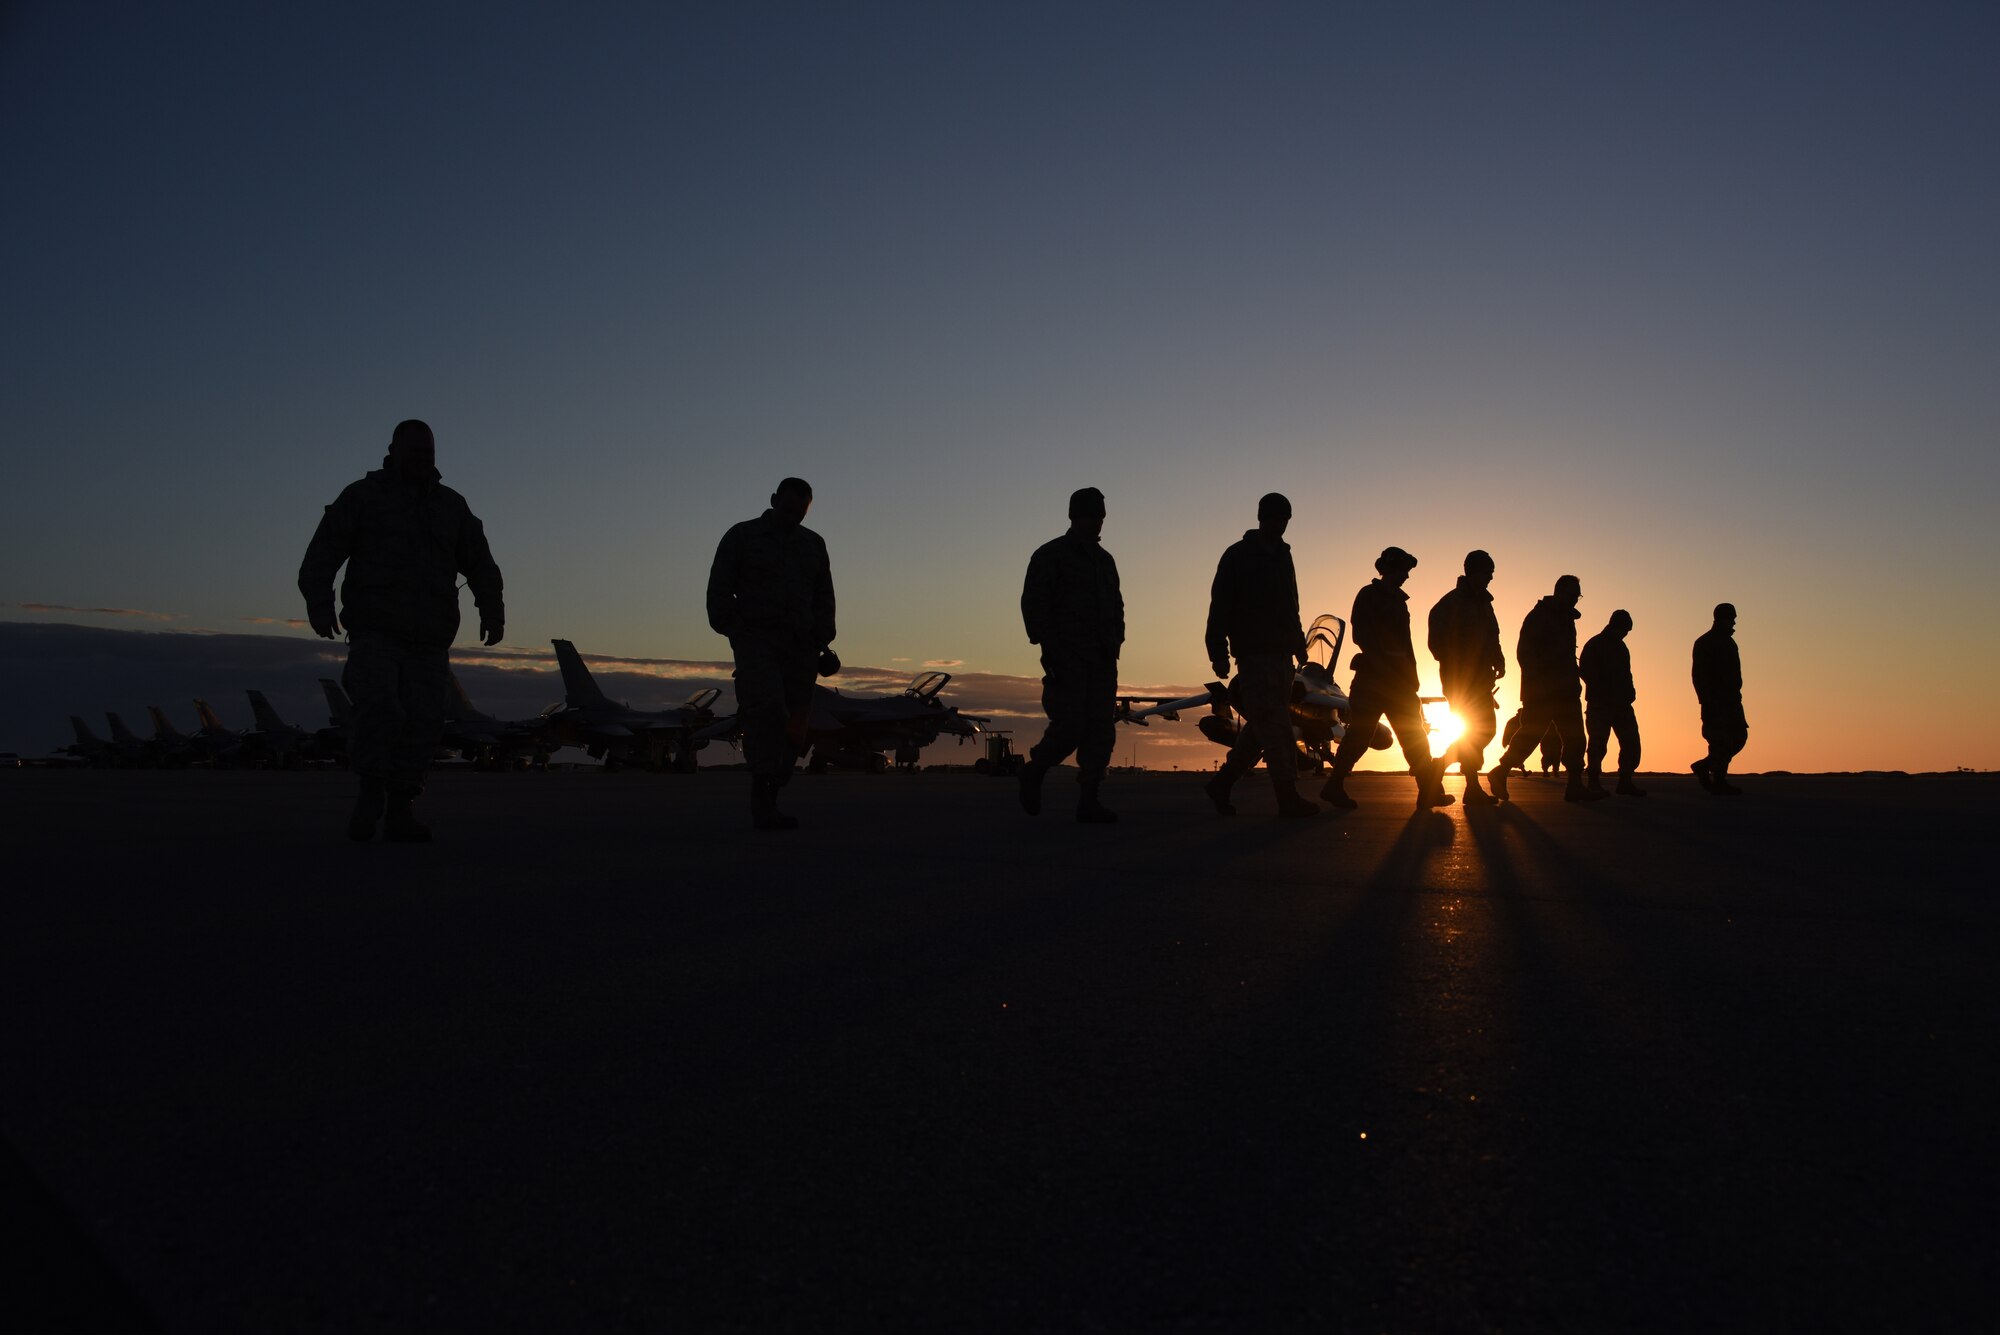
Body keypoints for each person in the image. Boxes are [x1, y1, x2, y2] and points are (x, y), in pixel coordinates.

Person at [299, 419, 504, 842]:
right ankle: (371, 791)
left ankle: (401, 809)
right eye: (413, 452)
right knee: (379, 708)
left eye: (428, 453)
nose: (422, 460)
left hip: (429, 638)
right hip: (376, 630)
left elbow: (480, 563)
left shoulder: (451, 506)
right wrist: (319, 604)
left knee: (425, 721)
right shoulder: (363, 497)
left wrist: (492, 610)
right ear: (393, 451)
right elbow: (324, 551)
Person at [707, 477, 837, 830]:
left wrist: (823, 636)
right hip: (758, 645)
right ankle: (761, 802)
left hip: (801, 650)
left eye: (801, 512)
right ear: (773, 500)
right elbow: (719, 591)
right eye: (788, 509)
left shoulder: (813, 544)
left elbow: (824, 594)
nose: (793, 516)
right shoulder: (742, 537)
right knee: (765, 714)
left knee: (796, 725)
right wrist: (737, 632)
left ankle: (773, 794)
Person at [1200, 493, 1317, 818]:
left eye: (1285, 520)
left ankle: (1222, 784)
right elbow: (1220, 606)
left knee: (1259, 727)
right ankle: (1287, 795)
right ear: (1262, 518)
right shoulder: (1238, 556)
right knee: (1278, 726)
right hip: (1253, 655)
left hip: (1282, 657)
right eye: (1276, 518)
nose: (1280, 525)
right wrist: (1218, 653)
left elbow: (1290, 603)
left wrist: (1297, 642)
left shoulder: (1283, 556)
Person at [1018, 487, 1123, 823]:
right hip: (1068, 655)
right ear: (1076, 516)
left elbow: (1116, 607)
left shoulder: (1105, 562)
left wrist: (1115, 643)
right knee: (1071, 726)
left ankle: (1089, 800)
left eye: (1102, 515)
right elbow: (1034, 604)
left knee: (1101, 730)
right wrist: (1050, 648)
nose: (1099, 521)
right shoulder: (1052, 555)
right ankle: (1035, 769)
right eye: (1093, 514)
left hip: (1103, 658)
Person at [1321, 547, 1452, 812]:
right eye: (1403, 571)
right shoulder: (1369, 596)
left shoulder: (1399, 602)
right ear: (1390, 569)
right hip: (1374, 679)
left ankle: (1427, 791)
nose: (1406, 576)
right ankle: (1334, 784)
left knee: (1414, 735)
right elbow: (1362, 635)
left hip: (1398, 682)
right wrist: (1386, 661)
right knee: (1360, 735)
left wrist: (1411, 677)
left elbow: (1407, 645)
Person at [1486, 575, 1606, 802]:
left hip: (1566, 691)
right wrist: (1539, 686)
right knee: (1530, 736)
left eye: (1577, 596)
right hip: (1543, 692)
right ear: (1560, 592)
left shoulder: (1565, 619)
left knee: (1576, 738)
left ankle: (1574, 785)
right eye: (1572, 595)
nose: (1575, 600)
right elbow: (1525, 654)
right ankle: (1500, 771)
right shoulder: (1539, 617)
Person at [1427, 550, 1505, 805]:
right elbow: (1436, 644)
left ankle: (1441, 769)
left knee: (1483, 731)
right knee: (1476, 730)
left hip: (1481, 679)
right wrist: (1462, 664)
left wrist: (1498, 660)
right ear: (1472, 572)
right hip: (1460, 681)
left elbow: (1492, 635)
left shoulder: (1484, 604)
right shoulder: (1450, 604)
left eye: (1492, 573)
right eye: (1487, 573)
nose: (1491, 578)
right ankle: (1468, 786)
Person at [1580, 609, 1645, 796]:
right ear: (1614, 626)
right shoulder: (1595, 644)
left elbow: (1626, 674)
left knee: (1631, 742)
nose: (1625, 634)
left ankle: (1625, 781)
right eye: (1624, 630)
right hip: (1600, 704)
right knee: (1598, 744)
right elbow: (1585, 671)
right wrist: (1602, 688)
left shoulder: (1621, 647)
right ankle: (1593, 781)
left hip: (1622, 705)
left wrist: (1630, 692)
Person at [1691, 602, 1747, 796]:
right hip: (1715, 702)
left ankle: (1705, 766)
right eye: (1730, 618)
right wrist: (1706, 700)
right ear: (1720, 619)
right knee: (1719, 740)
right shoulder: (1705, 642)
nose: (1733, 622)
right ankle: (1719, 780)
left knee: (1739, 737)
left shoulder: (1730, 643)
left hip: (1732, 701)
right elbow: (1698, 675)